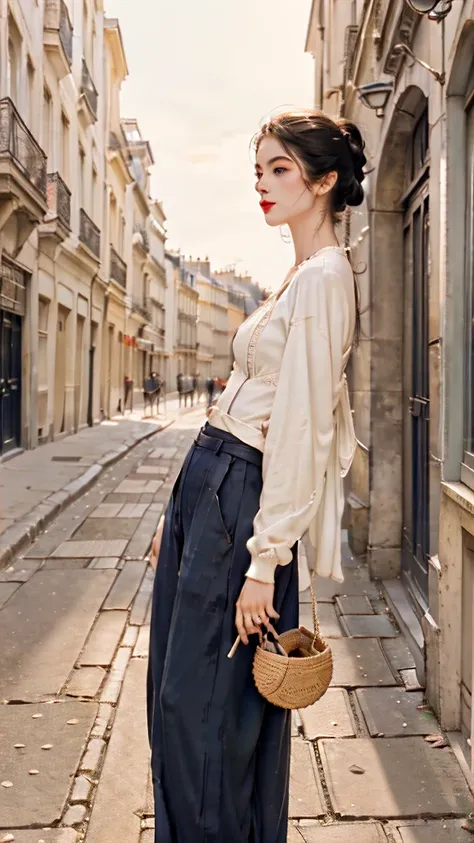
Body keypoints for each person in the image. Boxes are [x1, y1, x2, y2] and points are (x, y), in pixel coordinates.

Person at [147, 109, 365, 843]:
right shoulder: (297, 274)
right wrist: (175, 517)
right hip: (208, 488)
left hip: (240, 496)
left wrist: (265, 561)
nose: (264, 184)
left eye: (280, 169)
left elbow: (302, 431)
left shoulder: (327, 278)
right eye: (258, 170)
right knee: (176, 698)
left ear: (324, 180)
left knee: (204, 709)